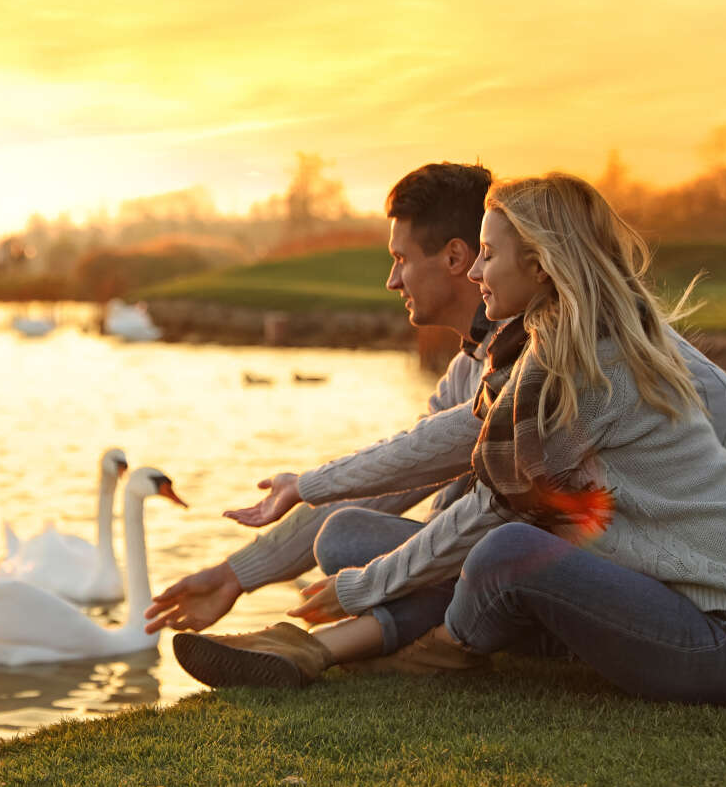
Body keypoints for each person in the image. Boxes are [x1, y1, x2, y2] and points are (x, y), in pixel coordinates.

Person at [173, 173, 726, 704]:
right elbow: (453, 437)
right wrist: (311, 485)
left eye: (489, 255)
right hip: (644, 585)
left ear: (539, 266)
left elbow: (499, 511)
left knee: (501, 545)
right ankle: (331, 645)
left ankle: (344, 649)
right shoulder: (543, 354)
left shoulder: (591, 363)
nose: (476, 272)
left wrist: (367, 589)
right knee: (363, 535)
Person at [144, 162, 501, 635]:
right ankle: (365, 637)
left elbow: (413, 458)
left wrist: (307, 484)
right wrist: (234, 576)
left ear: (455, 258)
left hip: (518, 568)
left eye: (401, 259)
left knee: (346, 539)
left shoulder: (527, 361)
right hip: (480, 562)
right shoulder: (465, 369)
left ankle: (349, 642)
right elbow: (390, 482)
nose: (392, 282)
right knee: (348, 532)